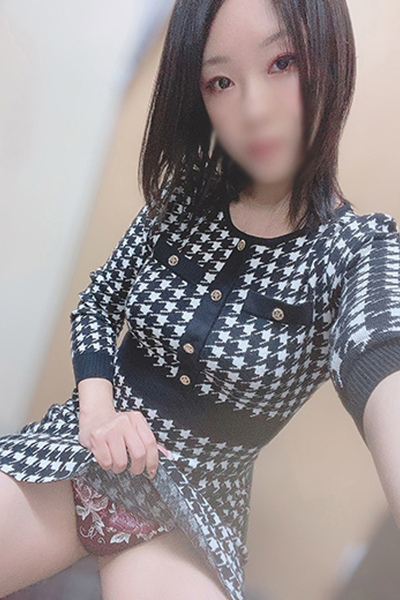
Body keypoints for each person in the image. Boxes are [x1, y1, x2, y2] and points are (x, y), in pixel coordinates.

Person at [1, 0, 400, 599]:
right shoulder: (182, 198)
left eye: (282, 62)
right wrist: (98, 412)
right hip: (78, 452)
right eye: (220, 82)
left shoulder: (356, 250)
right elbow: (100, 303)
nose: (253, 110)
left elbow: (380, 352)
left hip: (191, 513)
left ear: (330, 55)